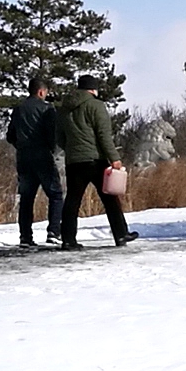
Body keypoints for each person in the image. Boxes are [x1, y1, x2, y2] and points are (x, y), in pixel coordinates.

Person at [58, 73, 137, 249]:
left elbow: (59, 137)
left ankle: (68, 239)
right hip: (95, 160)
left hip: (74, 161)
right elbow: (104, 135)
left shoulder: (64, 109)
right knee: (109, 198)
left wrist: (72, 150)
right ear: (93, 89)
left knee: (72, 200)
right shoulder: (96, 105)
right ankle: (121, 234)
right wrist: (114, 158)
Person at [7, 73, 65, 249]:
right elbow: (51, 134)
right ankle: (53, 232)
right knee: (55, 194)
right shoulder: (47, 109)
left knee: (26, 198)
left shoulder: (18, 109)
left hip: (23, 158)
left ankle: (25, 236)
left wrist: (21, 146)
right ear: (41, 92)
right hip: (42, 156)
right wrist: (52, 149)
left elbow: (10, 136)